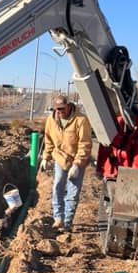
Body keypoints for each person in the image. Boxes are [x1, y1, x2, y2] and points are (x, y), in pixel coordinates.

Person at [40, 93, 92, 229]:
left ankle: (67, 223)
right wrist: (46, 157)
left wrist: (77, 164)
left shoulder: (81, 120)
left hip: (76, 161)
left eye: (62, 109)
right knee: (57, 187)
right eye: (57, 109)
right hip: (60, 159)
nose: (60, 112)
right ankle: (58, 218)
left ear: (68, 106)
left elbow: (85, 144)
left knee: (73, 193)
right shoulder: (51, 120)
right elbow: (48, 140)